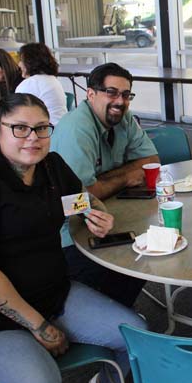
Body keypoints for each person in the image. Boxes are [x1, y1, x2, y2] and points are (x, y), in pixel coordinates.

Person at [0, 93, 146, 383]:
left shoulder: (51, 167)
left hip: (54, 295)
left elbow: (82, 201)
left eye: (41, 128)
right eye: (20, 128)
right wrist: (39, 326)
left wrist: (96, 214)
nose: (33, 138)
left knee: (137, 335)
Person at [51, 62, 159, 307]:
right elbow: (81, 197)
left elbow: (152, 161)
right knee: (139, 254)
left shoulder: (123, 117)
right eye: (111, 92)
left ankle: (117, 312)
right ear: (91, 94)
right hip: (70, 234)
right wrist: (125, 176)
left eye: (125, 94)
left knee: (151, 245)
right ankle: (109, 318)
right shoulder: (76, 130)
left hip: (113, 213)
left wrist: (106, 181)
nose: (120, 101)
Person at [15, 43, 68, 124]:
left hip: (46, 131)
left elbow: (16, 114)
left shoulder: (30, 84)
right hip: (61, 128)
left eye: (21, 60)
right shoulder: (52, 79)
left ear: (30, 62)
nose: (19, 64)